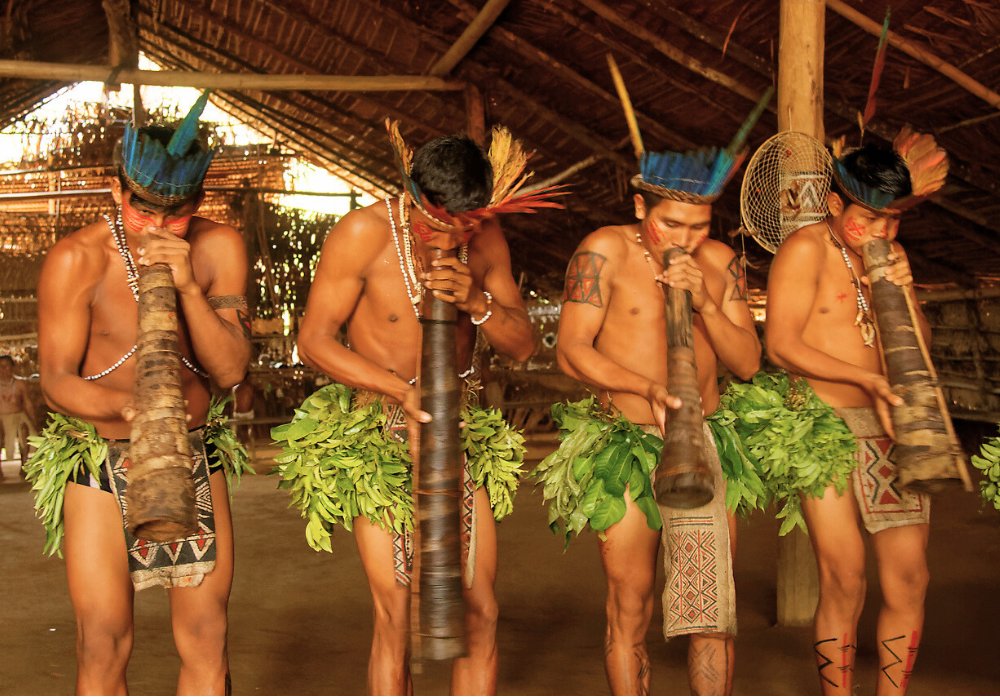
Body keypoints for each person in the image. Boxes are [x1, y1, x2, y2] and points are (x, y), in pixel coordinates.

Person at [275, 120, 561, 695]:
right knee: (397, 614)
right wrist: (399, 391)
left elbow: (524, 345)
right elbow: (313, 342)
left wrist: (476, 302)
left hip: (459, 427)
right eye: (437, 222)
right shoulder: (362, 234)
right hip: (377, 431)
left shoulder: (487, 239)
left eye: (467, 222)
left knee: (480, 611)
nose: (453, 235)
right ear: (413, 196)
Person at [27, 94, 251, 694]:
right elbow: (55, 380)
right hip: (101, 461)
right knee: (102, 640)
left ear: (197, 204)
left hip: (194, 457)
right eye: (140, 209)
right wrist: (131, 410)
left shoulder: (218, 248)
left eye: (172, 215)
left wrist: (186, 288)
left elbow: (229, 372)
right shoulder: (77, 259)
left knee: (206, 635)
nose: (155, 226)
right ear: (116, 190)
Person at [535, 119, 763, 693]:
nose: (685, 237)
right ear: (641, 207)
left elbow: (748, 363)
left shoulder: (719, 263)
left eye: (700, 225)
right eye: (671, 224)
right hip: (626, 444)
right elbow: (571, 351)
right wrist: (647, 389)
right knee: (630, 601)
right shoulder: (603, 252)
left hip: (704, 441)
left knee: (711, 613)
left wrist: (706, 300)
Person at [765, 131, 946, 695]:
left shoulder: (892, 254)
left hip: (891, 427)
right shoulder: (805, 249)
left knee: (910, 579)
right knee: (843, 578)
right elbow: (781, 345)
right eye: (871, 218)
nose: (883, 232)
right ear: (836, 203)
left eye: (894, 221)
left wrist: (905, 293)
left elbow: (919, 344)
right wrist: (864, 378)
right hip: (823, 426)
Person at [0, 354, 35, 474]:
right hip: (1, 418)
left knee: (24, 430)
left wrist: (32, 419)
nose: (3, 370)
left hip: (18, 416)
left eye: (6, 366)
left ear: (13, 367)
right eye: (1, 367)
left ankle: (24, 464)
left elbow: (28, 403)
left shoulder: (20, 384)